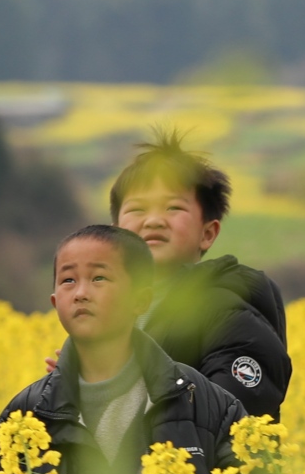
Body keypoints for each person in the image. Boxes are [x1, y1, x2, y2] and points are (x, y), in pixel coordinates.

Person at [0, 226, 246, 474]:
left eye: (100, 278)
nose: (82, 293)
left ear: (141, 300)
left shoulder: (206, 403)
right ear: (55, 301)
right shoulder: (27, 414)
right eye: (69, 280)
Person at [108, 131, 291, 420]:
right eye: (137, 209)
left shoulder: (226, 307)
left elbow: (232, 408)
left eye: (173, 207)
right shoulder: (112, 313)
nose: (154, 220)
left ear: (207, 234)